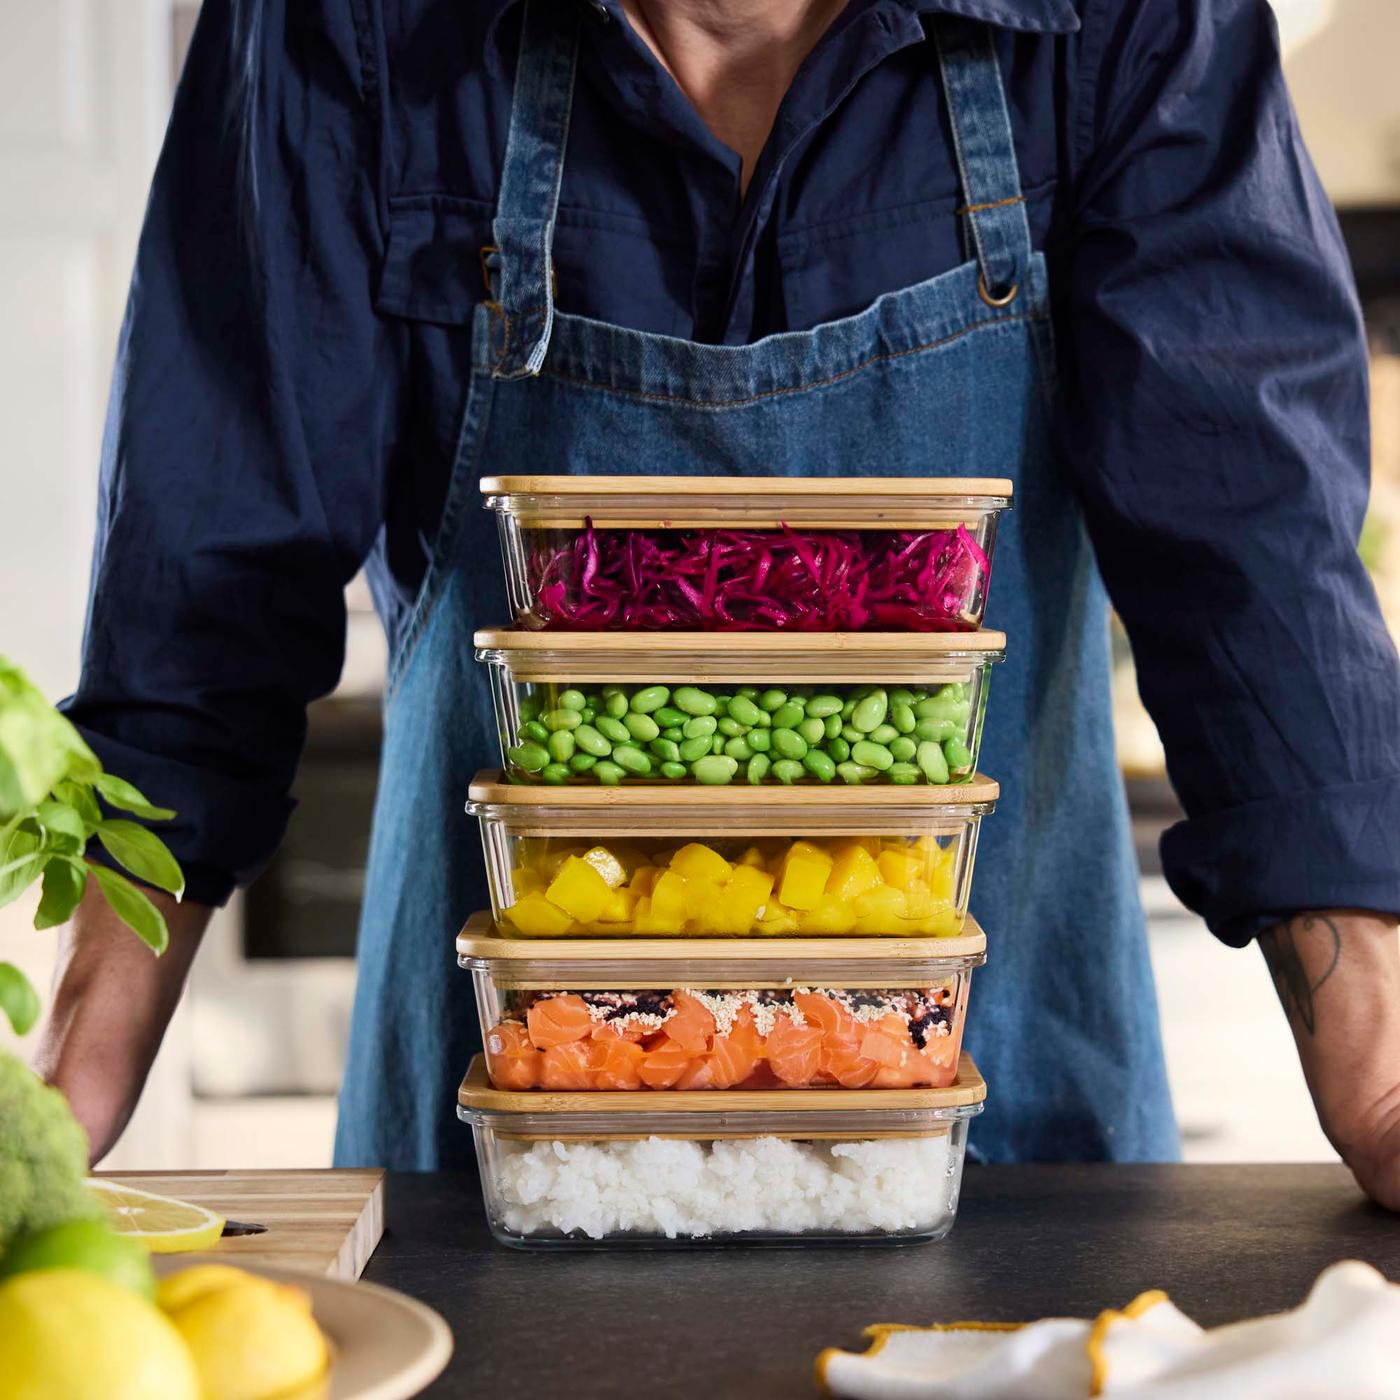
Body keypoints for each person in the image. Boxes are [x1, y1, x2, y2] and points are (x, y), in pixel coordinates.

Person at [38, 0, 1400, 1200]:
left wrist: (1380, 1073)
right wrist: (62, 1101)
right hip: (510, 1139)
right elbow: (205, 571)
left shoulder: (1123, 19)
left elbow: (1251, 534)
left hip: (1008, 1119)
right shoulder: (349, 21)